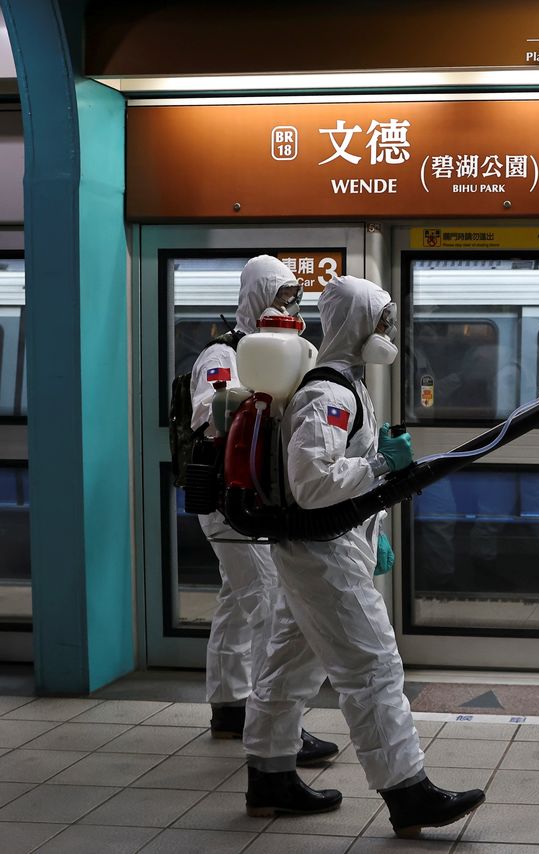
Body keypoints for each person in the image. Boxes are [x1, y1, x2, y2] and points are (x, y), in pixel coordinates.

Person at [242, 275, 485, 835]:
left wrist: (373, 535)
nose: (389, 331)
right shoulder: (326, 392)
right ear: (355, 323)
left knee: (288, 663)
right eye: (382, 320)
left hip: (324, 546)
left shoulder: (346, 385)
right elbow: (312, 483)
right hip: (321, 551)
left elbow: (333, 482)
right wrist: (383, 466)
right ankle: (408, 792)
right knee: (373, 666)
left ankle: (269, 776)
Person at [190, 254, 337, 766]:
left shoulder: (281, 350)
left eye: (293, 298)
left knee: (237, 599)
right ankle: (275, 728)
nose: (286, 307)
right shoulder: (222, 355)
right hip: (231, 502)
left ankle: (229, 705)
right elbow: (208, 416)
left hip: (253, 498)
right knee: (267, 604)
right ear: (255, 297)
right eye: (278, 297)